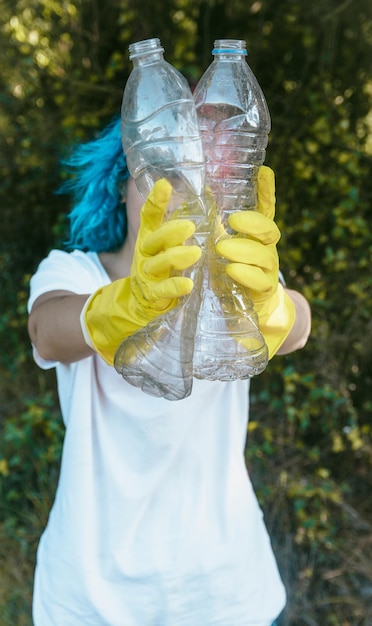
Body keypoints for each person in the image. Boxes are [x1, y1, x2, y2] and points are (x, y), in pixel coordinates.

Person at [27, 117, 311, 626]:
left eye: (203, 176)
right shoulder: (74, 272)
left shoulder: (235, 278)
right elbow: (48, 330)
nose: (183, 193)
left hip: (228, 596)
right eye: (163, 172)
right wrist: (123, 306)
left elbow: (296, 328)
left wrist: (274, 307)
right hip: (91, 600)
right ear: (120, 183)